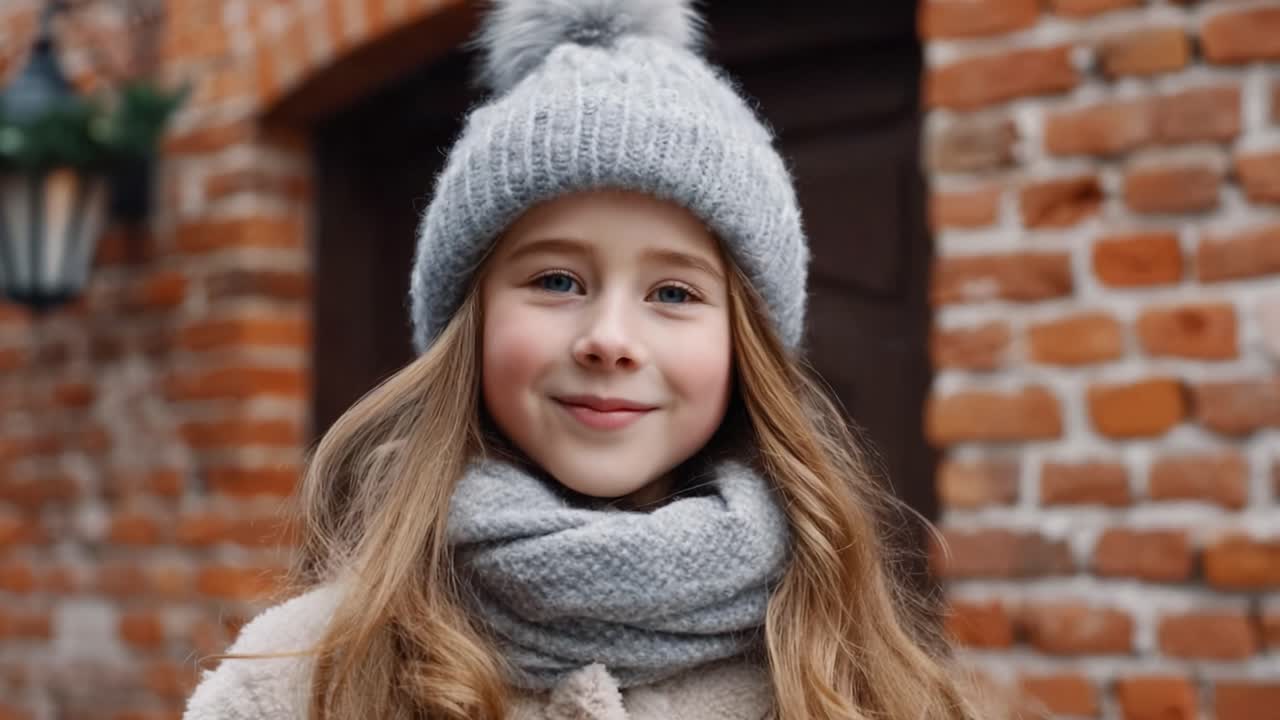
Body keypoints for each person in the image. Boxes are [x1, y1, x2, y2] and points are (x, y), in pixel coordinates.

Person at [183, 1, 1010, 718]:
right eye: (556, 279)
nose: (610, 337)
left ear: (744, 342)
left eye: (674, 293)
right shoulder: (306, 677)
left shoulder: (855, 679)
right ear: (468, 327)